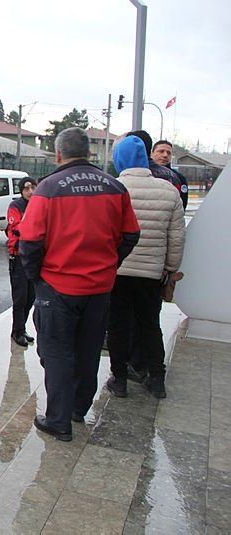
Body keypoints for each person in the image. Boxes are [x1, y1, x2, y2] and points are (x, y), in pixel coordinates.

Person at [19, 127, 140, 441]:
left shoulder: (48, 188)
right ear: (89, 153)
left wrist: (38, 278)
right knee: (88, 350)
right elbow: (131, 235)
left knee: (57, 352)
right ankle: (77, 409)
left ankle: (58, 420)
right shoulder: (115, 187)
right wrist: (111, 263)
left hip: (59, 287)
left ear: (59, 154)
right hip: (99, 288)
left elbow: (29, 242)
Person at [105, 135, 185, 400]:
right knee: (150, 325)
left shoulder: (114, 187)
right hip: (152, 273)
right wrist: (170, 268)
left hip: (118, 271)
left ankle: (120, 379)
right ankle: (157, 379)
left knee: (117, 326)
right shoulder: (168, 190)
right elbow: (176, 237)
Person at [6, 177, 37, 347]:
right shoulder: (15, 206)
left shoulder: (38, 205)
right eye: (26, 188)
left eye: (33, 187)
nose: (30, 191)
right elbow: (17, 228)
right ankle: (17, 331)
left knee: (31, 296)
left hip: (33, 256)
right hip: (18, 256)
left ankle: (21, 327)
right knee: (20, 297)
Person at [151, 139, 189, 210]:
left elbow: (182, 205)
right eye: (161, 151)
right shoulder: (145, 173)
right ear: (152, 153)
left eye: (168, 153)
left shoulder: (179, 178)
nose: (165, 155)